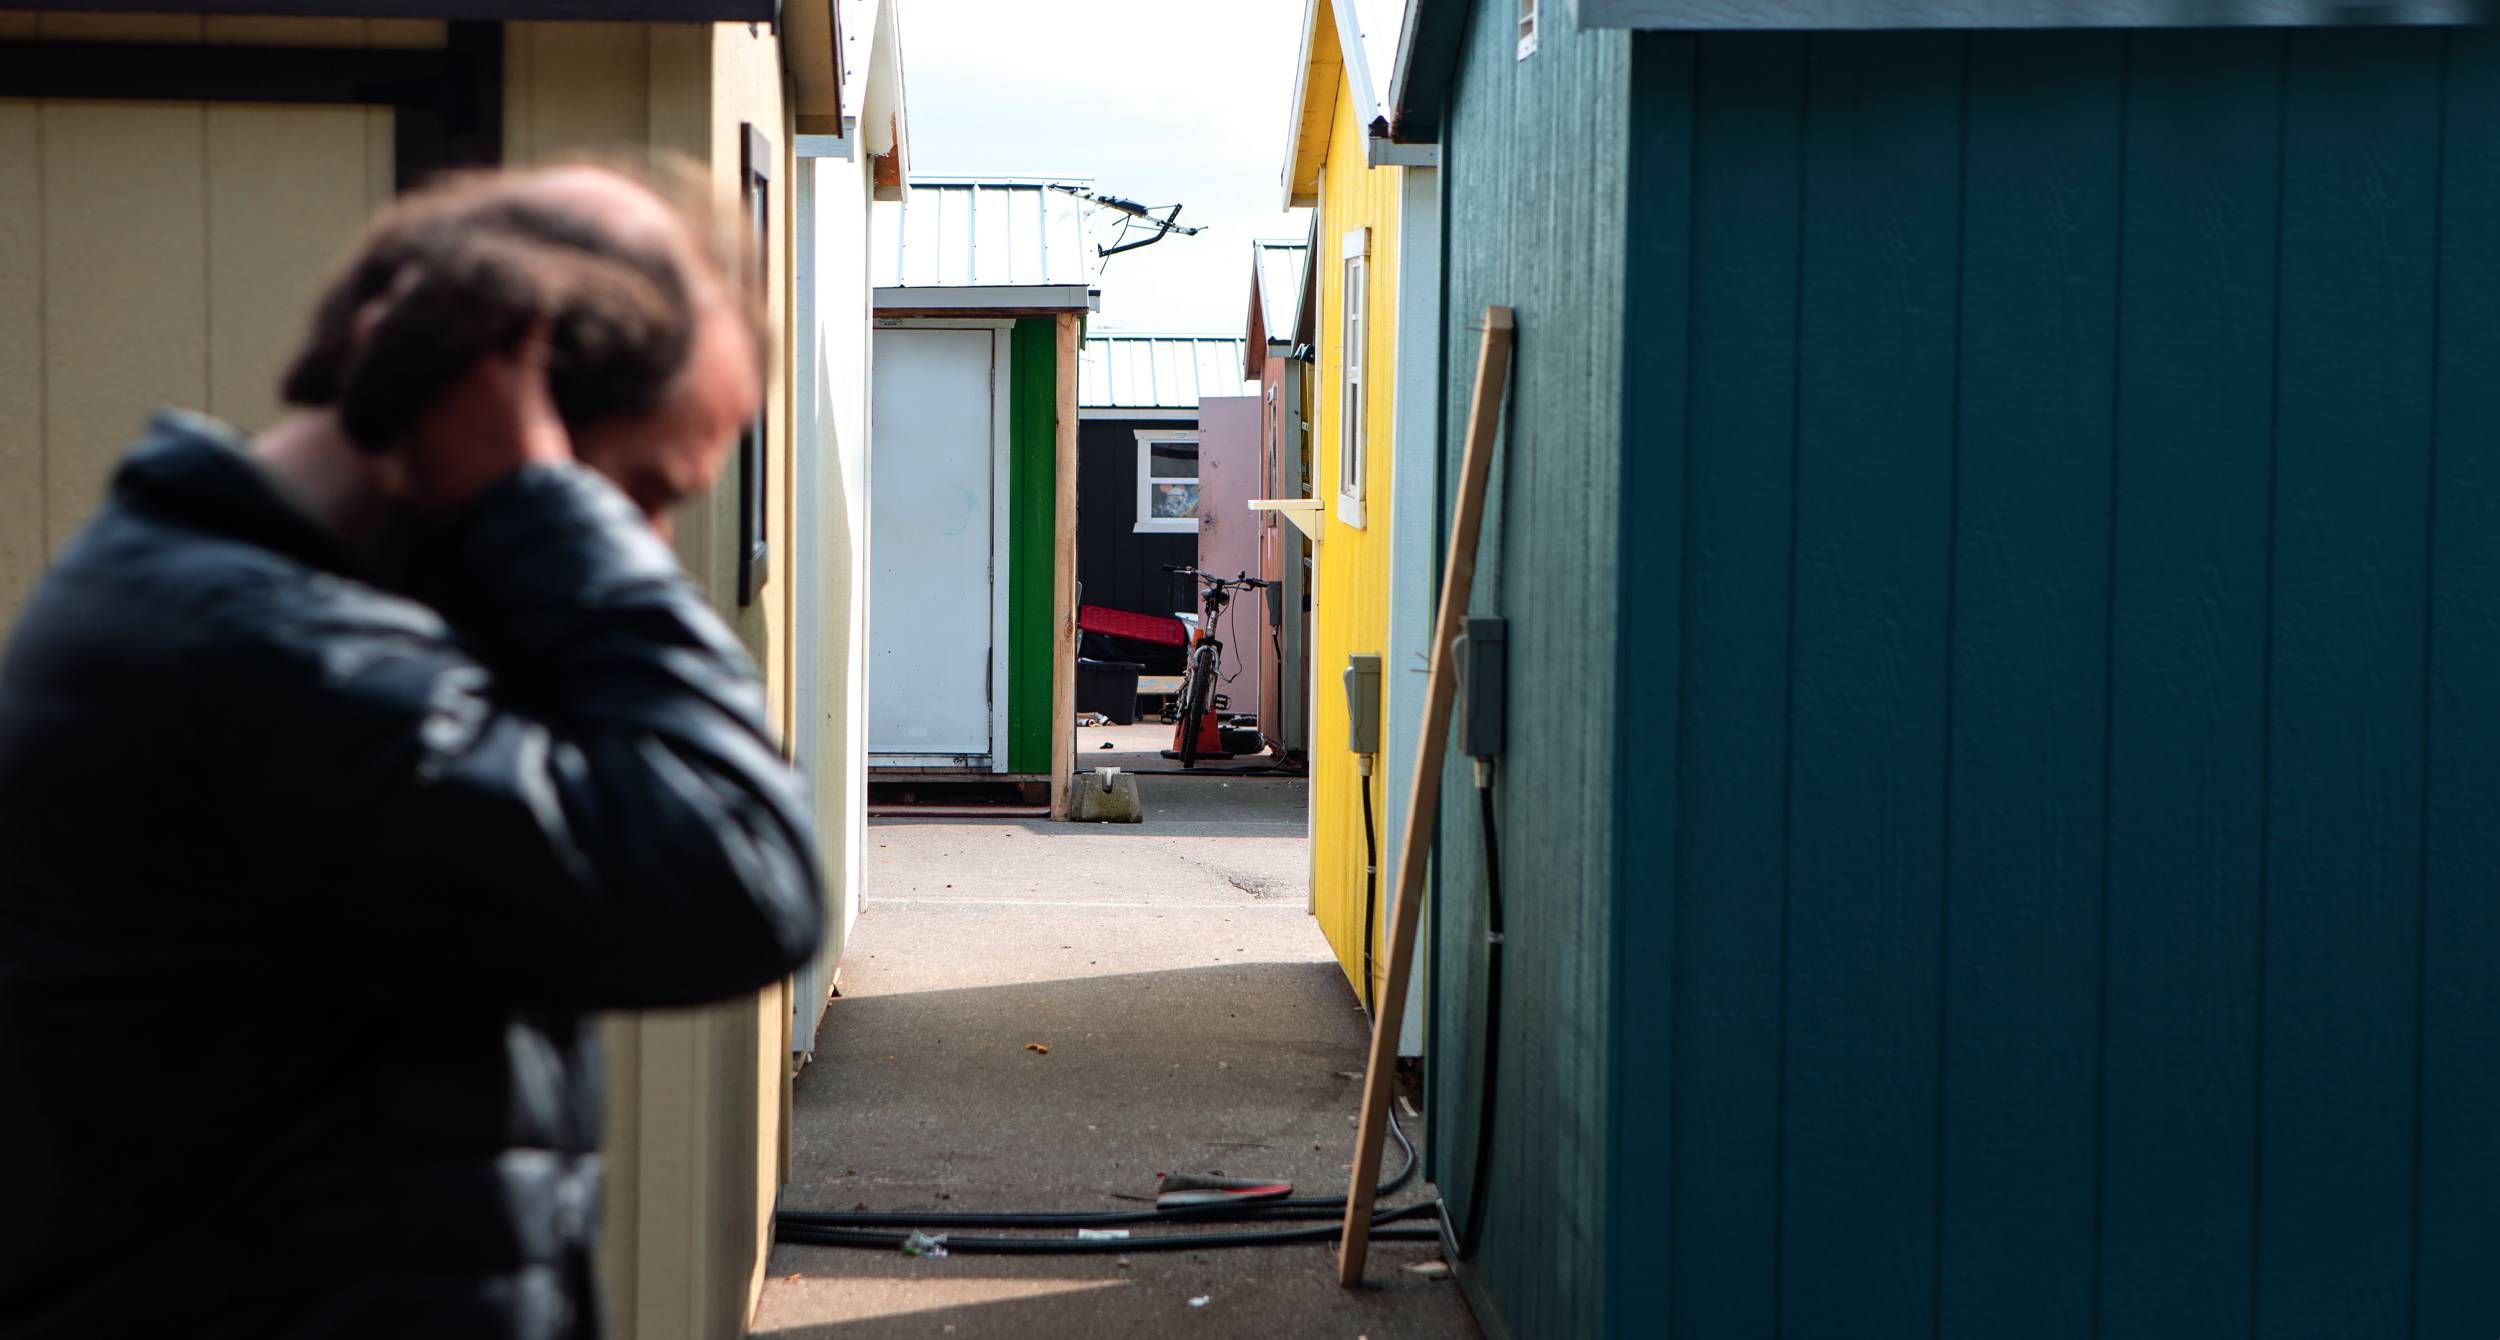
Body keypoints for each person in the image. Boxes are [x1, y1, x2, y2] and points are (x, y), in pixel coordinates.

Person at [0, 164, 824, 1338]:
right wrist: (542, 502)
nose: (637, 547)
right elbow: (739, 868)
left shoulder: (265, 617)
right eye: (638, 492)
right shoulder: (265, 657)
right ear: (491, 404)